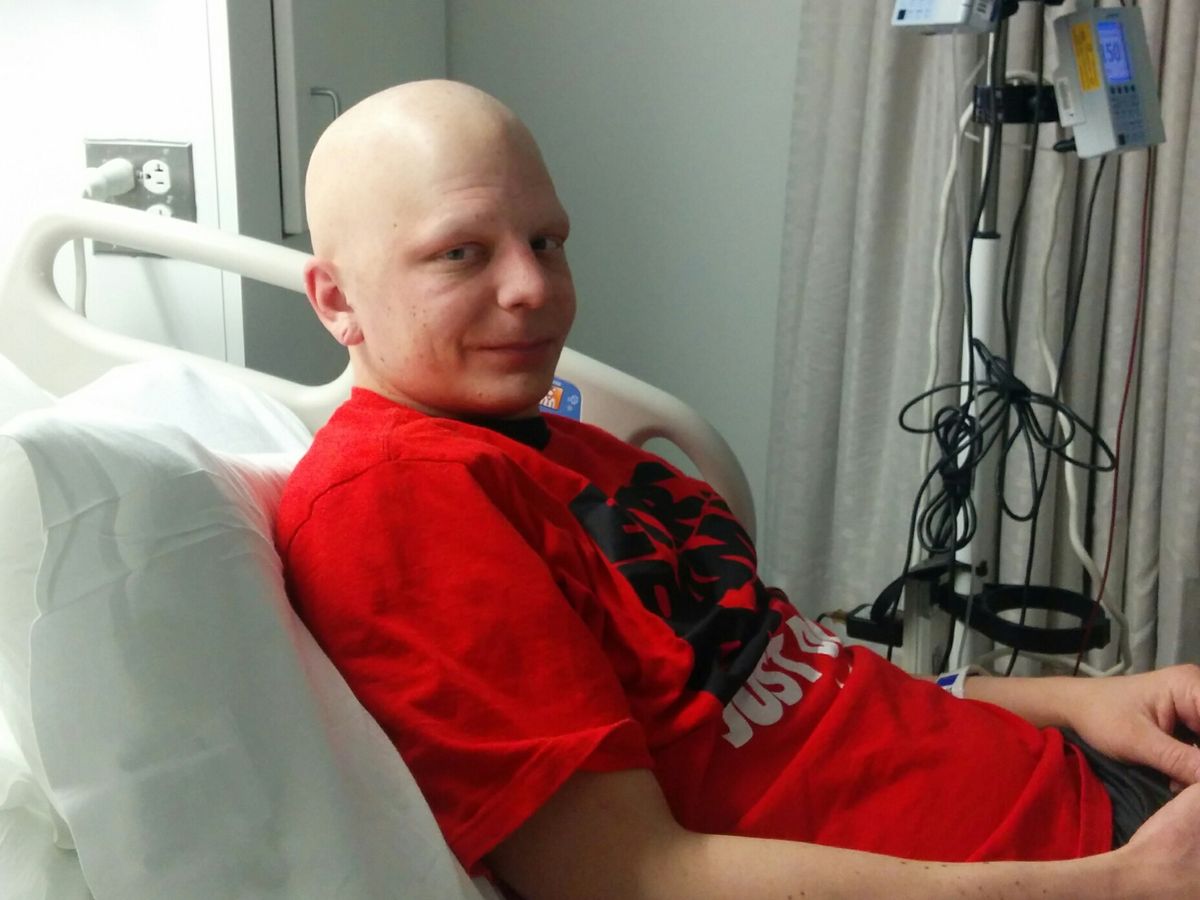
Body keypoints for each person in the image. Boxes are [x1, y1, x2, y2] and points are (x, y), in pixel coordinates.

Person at [275, 79, 1200, 898]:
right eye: (460, 253)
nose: (533, 287)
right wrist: (1120, 885)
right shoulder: (399, 500)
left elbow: (800, 685)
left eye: (546, 240)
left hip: (1080, 789)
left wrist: (1074, 701)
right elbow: (629, 877)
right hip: (1084, 865)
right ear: (336, 300)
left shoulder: (554, 443)